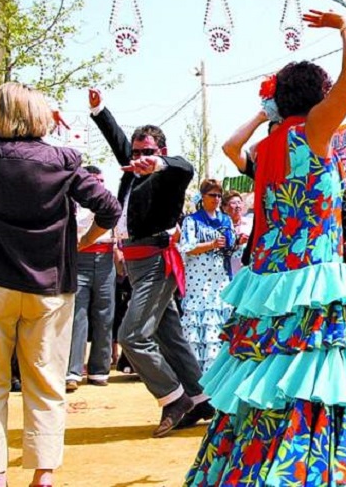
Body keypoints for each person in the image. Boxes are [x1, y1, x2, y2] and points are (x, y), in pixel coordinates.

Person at [185, 10, 346, 486]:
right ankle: (312, 465)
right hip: (312, 273)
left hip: (267, 281)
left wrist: (263, 110)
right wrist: (343, 27)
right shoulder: (313, 131)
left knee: (266, 370)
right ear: (316, 95)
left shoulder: (270, 147)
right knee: (318, 369)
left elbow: (232, 147)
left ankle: (256, 461)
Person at [0, 82, 121, 487]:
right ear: (40, 117)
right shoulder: (64, 159)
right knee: (46, 381)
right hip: (49, 287)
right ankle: (43, 474)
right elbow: (109, 208)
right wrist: (84, 241)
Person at [89, 89, 207, 437]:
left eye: (148, 153)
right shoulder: (132, 170)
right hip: (138, 265)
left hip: (157, 262)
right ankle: (200, 398)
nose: (139, 157)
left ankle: (173, 398)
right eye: (136, 152)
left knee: (132, 336)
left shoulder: (168, 174)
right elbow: (119, 143)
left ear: (161, 152)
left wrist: (159, 165)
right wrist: (99, 110)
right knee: (169, 336)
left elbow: (186, 166)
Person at [66, 165, 117, 393]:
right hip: (79, 258)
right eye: (94, 179)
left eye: (101, 179)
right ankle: (73, 371)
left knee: (105, 313)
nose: (98, 183)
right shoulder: (72, 204)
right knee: (78, 314)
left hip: (105, 258)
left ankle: (99, 370)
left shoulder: (110, 201)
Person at [178, 179, 235, 373]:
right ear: (202, 197)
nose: (217, 199)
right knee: (199, 322)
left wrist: (237, 243)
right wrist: (210, 245)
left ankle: (220, 370)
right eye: (212, 195)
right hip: (198, 280)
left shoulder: (226, 220)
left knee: (220, 320)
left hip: (220, 278)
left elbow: (232, 250)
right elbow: (186, 248)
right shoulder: (192, 221)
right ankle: (197, 373)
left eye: (219, 196)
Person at [221, 190, 252, 275]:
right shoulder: (221, 226)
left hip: (248, 269)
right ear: (224, 207)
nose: (238, 206)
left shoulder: (251, 223)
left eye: (239, 202)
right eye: (234, 203)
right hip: (228, 270)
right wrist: (237, 243)